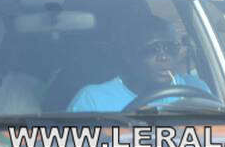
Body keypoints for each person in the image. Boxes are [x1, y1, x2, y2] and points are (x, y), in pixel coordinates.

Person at [70, 16, 211, 113]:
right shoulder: (93, 100)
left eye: (170, 48)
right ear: (128, 56)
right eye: (151, 49)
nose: (163, 57)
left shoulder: (195, 89)